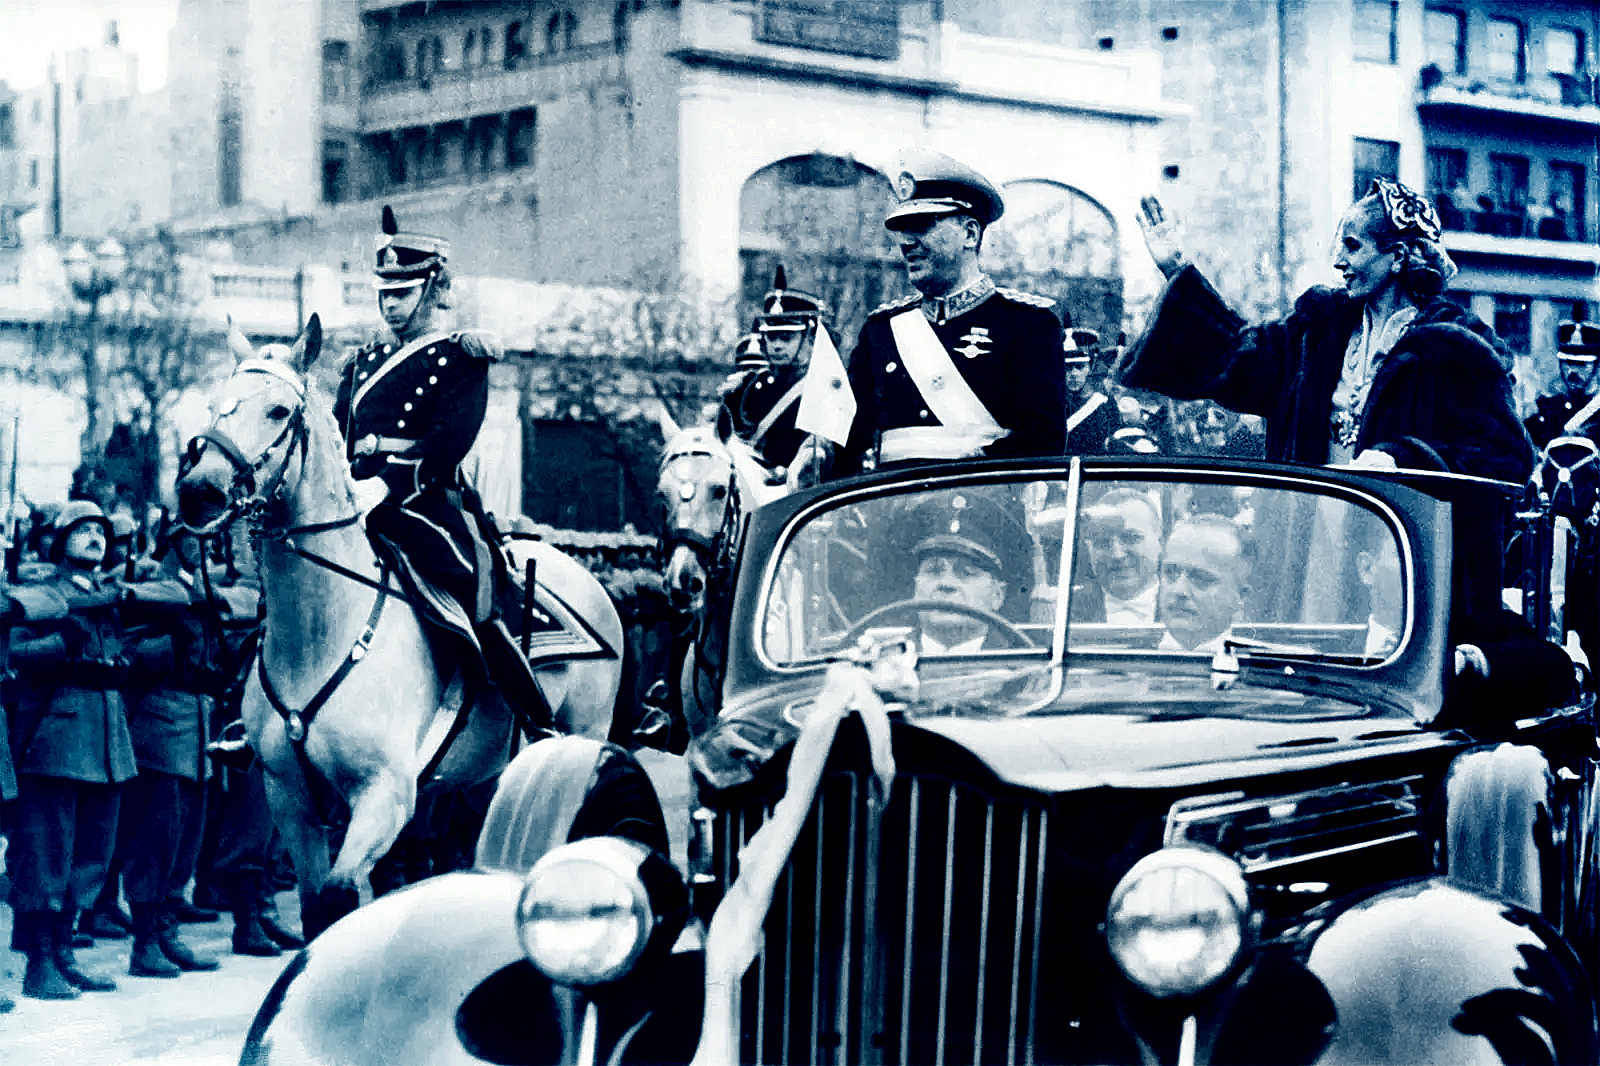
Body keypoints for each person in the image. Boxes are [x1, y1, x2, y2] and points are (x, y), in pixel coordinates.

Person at [1125, 179, 1532, 482]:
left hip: (1399, 556)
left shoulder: (1456, 348)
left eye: (1353, 246)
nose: (1338, 260)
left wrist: (1403, 458)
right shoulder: (1318, 331)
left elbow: (1505, 458)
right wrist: (1175, 267)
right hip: (1309, 542)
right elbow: (1236, 356)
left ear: (1398, 257)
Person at [332, 205, 546, 730]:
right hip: (353, 497)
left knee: (468, 583)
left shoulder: (460, 356)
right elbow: (339, 431)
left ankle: (529, 710)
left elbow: (450, 440)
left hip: (421, 500)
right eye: (384, 294)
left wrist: (386, 484)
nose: (390, 305)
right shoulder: (360, 361)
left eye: (402, 293)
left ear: (432, 291)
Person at [810, 151, 1066, 478]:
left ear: (970, 234)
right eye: (902, 228)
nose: (905, 242)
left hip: (986, 515)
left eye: (921, 225)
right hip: (891, 514)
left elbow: (1042, 443)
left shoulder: (1028, 324)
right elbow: (850, 436)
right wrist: (821, 455)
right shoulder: (881, 330)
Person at [3, 501, 138, 998]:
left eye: (100, 531)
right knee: (46, 851)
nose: (95, 538)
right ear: (59, 541)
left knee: (92, 853)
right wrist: (58, 646)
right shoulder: (41, 592)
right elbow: (10, 651)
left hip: (107, 738)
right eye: (81, 530)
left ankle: (65, 950)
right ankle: (39, 961)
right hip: (56, 738)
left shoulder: (108, 596)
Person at [717, 268, 825, 476]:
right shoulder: (744, 389)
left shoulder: (826, 389)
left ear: (810, 337)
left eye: (786, 337)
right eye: (771, 337)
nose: (776, 345)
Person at [903, 490, 1032, 654]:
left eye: (966, 573)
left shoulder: (1028, 668)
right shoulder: (883, 664)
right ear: (916, 587)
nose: (946, 583)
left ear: (998, 595)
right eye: (933, 571)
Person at [1157, 514, 1252, 653]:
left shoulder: (1260, 667)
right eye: (1170, 573)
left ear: (1241, 596)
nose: (1178, 590)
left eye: (1200, 578)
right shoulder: (1121, 656)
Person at [1076, 489, 1162, 624]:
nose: (1117, 554)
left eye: (1131, 538)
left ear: (1160, 542)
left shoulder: (1190, 605)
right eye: (1103, 542)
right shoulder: (1065, 609)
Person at [1526, 311, 1600, 450]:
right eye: (1567, 362)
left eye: (1581, 364)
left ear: (1596, 366)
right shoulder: (1547, 409)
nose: (1573, 371)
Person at [1064, 329, 1123, 454]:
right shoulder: (1050, 406)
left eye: (1080, 367)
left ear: (1090, 368)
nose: (1074, 374)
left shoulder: (1106, 405)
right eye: (1068, 368)